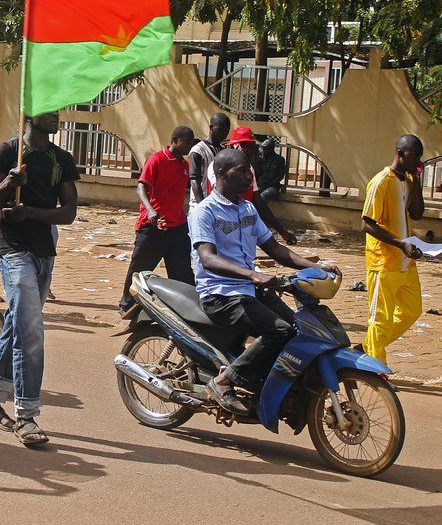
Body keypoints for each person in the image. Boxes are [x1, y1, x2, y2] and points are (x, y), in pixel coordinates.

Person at [191, 149, 333, 414]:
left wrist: (316, 266)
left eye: (250, 170)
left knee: (299, 329)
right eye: (242, 171)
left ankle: (268, 383)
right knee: (279, 330)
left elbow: (275, 249)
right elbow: (208, 259)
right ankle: (224, 380)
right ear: (222, 174)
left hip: (251, 290)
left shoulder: (247, 209)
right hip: (220, 294)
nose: (249, 177)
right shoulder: (205, 212)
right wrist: (253, 274)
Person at [0, 112, 79, 446]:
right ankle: (27, 415)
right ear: (30, 114)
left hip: (44, 252)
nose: (58, 116)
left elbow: (69, 212)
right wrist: (10, 183)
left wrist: (31, 212)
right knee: (31, 328)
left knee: (17, 323)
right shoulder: (6, 152)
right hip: (13, 250)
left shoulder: (61, 159)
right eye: (51, 110)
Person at [360, 134, 425, 364]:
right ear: (400, 154)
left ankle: (368, 346)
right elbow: (367, 223)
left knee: (411, 311)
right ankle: (375, 367)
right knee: (380, 319)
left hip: (406, 262)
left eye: (420, 158)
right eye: (414, 156)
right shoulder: (381, 182)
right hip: (383, 262)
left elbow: (417, 213)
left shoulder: (407, 180)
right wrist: (400, 244)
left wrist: (417, 180)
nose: (417, 161)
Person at [120, 126, 195, 317]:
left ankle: (188, 309)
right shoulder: (157, 160)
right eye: (187, 141)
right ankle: (127, 304)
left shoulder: (184, 165)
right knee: (140, 267)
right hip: (154, 225)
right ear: (175, 140)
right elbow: (141, 188)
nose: (190, 145)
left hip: (177, 226)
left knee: (183, 272)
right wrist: (151, 211)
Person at [205, 126, 297, 244]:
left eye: (250, 146)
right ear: (235, 146)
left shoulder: (250, 170)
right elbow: (219, 197)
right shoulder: (216, 166)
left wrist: (282, 231)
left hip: (243, 230)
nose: (248, 150)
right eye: (244, 146)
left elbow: (259, 203)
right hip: (222, 229)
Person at [189, 113, 230, 209]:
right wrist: (203, 206)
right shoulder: (198, 150)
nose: (224, 134)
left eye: (227, 131)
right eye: (221, 130)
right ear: (211, 127)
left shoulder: (223, 150)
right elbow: (194, 181)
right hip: (200, 205)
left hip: (218, 205)